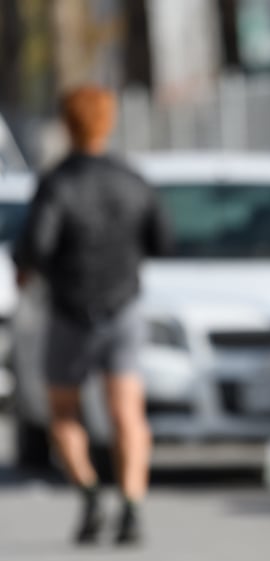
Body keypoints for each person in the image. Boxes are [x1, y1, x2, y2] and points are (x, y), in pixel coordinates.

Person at [13, 85, 170, 545]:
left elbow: (36, 248)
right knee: (128, 415)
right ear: (109, 120)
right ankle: (132, 506)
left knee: (63, 411)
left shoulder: (58, 181)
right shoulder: (131, 177)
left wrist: (31, 273)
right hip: (123, 308)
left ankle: (88, 493)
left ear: (66, 123)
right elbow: (162, 240)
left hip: (69, 312)